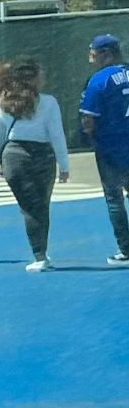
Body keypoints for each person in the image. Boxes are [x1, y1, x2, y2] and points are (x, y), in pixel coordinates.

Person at [0, 61, 71, 272]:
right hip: (43, 156)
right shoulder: (48, 103)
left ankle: (38, 254)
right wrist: (64, 165)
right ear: (32, 79)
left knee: (29, 207)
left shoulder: (2, 103)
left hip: (14, 156)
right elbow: (57, 135)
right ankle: (42, 252)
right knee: (42, 206)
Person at [78, 35, 129, 265]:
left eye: (94, 55)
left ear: (106, 53)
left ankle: (126, 249)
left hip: (111, 148)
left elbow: (88, 120)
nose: (91, 61)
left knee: (114, 199)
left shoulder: (99, 81)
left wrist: (91, 137)